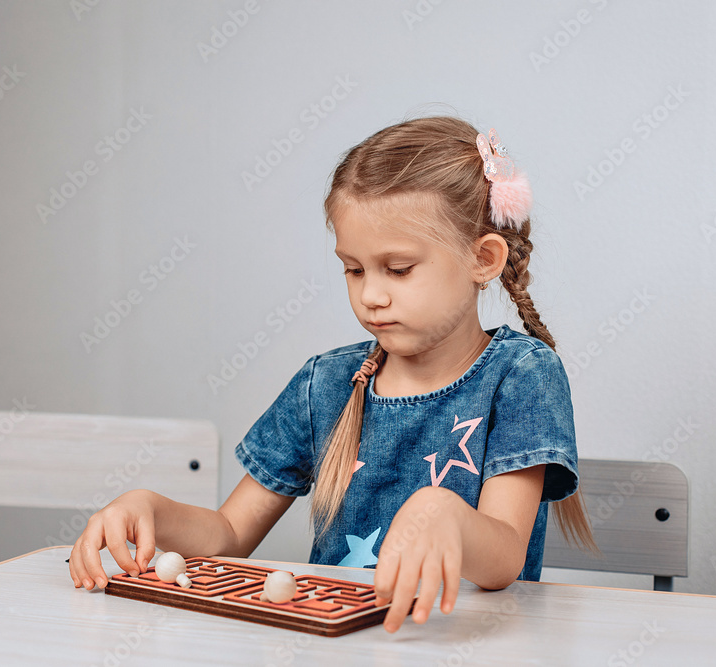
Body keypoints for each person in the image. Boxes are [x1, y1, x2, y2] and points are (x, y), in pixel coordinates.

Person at [69, 116, 596, 633]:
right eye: (354, 269)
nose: (371, 295)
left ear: (483, 259)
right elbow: (229, 535)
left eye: (399, 269)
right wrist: (152, 510)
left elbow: (504, 557)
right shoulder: (326, 383)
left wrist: (447, 514)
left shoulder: (520, 375)